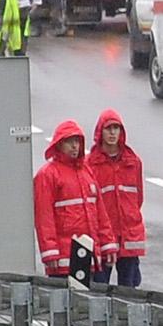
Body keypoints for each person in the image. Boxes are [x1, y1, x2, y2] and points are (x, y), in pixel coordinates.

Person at [31, 118, 104, 286]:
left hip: (85, 252)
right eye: (69, 141)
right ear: (59, 144)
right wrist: (50, 251)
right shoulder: (47, 175)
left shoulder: (86, 171)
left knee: (83, 304)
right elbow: (44, 216)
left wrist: (105, 244)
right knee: (63, 305)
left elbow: (99, 212)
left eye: (77, 141)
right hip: (62, 258)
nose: (74, 146)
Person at [85, 110, 145, 289]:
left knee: (129, 290)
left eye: (116, 128)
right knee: (99, 287)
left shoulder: (133, 162)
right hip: (103, 237)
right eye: (108, 128)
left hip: (129, 236)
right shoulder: (90, 164)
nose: (112, 133)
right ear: (100, 132)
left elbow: (138, 198)